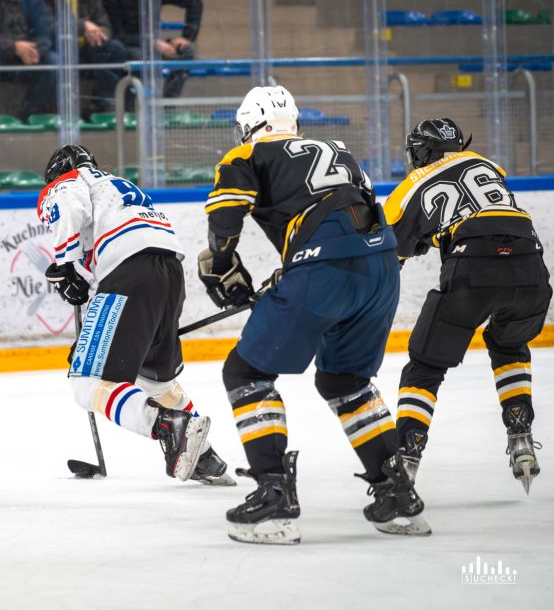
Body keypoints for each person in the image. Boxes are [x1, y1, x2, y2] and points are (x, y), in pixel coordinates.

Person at [199, 85, 428, 544]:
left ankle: (273, 497)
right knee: (345, 381)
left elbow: (226, 214)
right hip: (381, 268)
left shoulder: (247, 153)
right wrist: (298, 270)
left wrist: (221, 263)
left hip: (325, 269)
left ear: (249, 126)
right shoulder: (340, 150)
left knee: (245, 373)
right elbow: (354, 211)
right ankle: (398, 496)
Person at [38, 144, 234, 486]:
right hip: (169, 272)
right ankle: (204, 458)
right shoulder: (118, 187)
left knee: (86, 382)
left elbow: (68, 203)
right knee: (155, 380)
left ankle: (166, 426)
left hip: (130, 272)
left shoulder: (70, 181)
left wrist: (65, 265)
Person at [384, 118, 551, 493]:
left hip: (472, 265)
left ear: (421, 152)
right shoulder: (487, 165)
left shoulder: (414, 182)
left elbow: (390, 250)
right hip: (531, 263)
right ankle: (521, 437)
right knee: (509, 345)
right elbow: (485, 211)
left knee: (425, 365)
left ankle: (407, 457)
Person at [101, 0, 201, 100]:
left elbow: (194, 0)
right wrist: (153, 43)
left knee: (185, 53)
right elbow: (117, 35)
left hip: (152, 45)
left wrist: (187, 37)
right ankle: (133, 106)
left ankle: (168, 103)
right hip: (126, 47)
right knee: (138, 57)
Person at [36, 0, 127, 116]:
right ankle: (51, 108)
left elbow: (105, 23)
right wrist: (83, 26)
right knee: (56, 56)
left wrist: (99, 33)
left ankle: (102, 102)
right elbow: (48, 28)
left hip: (85, 47)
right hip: (56, 47)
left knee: (115, 48)